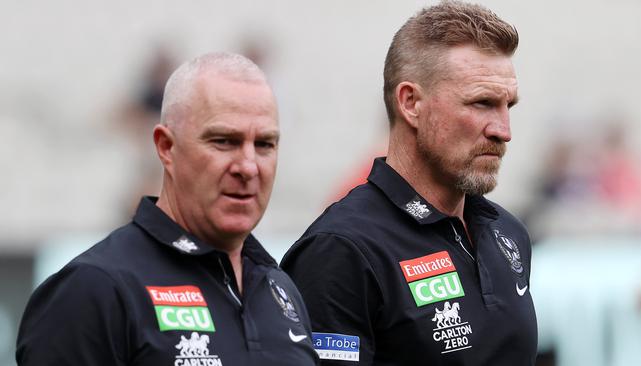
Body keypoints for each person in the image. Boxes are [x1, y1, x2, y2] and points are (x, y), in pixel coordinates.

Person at [16, 52, 319, 365]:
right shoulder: (94, 290)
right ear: (166, 147)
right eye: (224, 141)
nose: (248, 166)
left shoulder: (281, 290)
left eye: (265, 144)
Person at [281, 1, 537, 365]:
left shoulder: (508, 234)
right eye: (481, 103)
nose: (503, 131)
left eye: (507, 106)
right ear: (411, 102)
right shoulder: (341, 251)